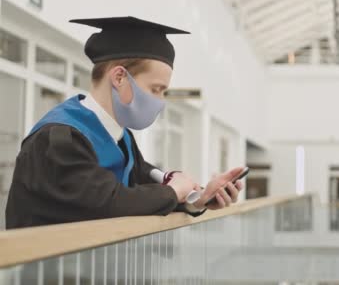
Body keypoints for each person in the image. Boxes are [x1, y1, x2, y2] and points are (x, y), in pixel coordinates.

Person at [5, 16, 243, 229]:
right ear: (119, 77)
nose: (159, 101)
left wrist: (197, 199)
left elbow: (142, 195)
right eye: (155, 89)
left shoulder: (121, 138)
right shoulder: (59, 137)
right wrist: (173, 190)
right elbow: (106, 202)